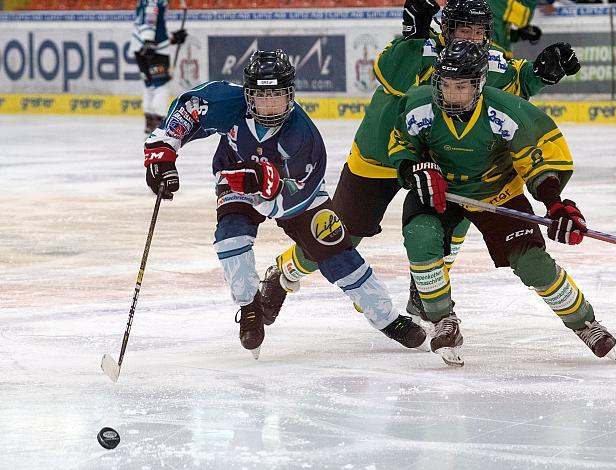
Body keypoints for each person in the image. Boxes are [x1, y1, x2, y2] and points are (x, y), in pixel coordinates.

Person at [259, 0, 580, 328]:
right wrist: (412, 35)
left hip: (441, 160)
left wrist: (540, 74)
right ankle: (284, 273)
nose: (469, 37)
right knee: (340, 236)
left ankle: (424, 289)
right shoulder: (420, 49)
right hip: (381, 154)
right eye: (462, 29)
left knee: (450, 225)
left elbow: (515, 87)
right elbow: (393, 77)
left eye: (478, 30)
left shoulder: (489, 60)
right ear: (446, 28)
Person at [142, 49, 431, 358]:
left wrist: (266, 186)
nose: (270, 105)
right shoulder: (229, 101)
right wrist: (162, 152)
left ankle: (387, 319)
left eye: (278, 96)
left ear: (290, 94)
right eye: (262, 97)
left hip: (296, 196)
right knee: (231, 237)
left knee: (335, 251)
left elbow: (289, 198)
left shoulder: (303, 138)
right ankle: (250, 306)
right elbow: (189, 109)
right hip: (235, 176)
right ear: (248, 94)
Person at [388, 39, 616, 361]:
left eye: (461, 86)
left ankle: (585, 323)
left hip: (497, 193)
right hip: (440, 191)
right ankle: (443, 320)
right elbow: (402, 147)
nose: (451, 94)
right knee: (420, 238)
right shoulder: (418, 106)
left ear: (479, 84)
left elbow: (538, 160)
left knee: (532, 263)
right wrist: (414, 169)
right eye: (446, 84)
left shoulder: (505, 112)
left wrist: (555, 203)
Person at [131, 0, 187, 135]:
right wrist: (149, 40)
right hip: (154, 49)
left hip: (139, 47)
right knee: (161, 86)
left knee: (149, 85)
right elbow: (150, 17)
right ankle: (159, 127)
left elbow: (148, 21)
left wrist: (172, 38)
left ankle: (149, 126)